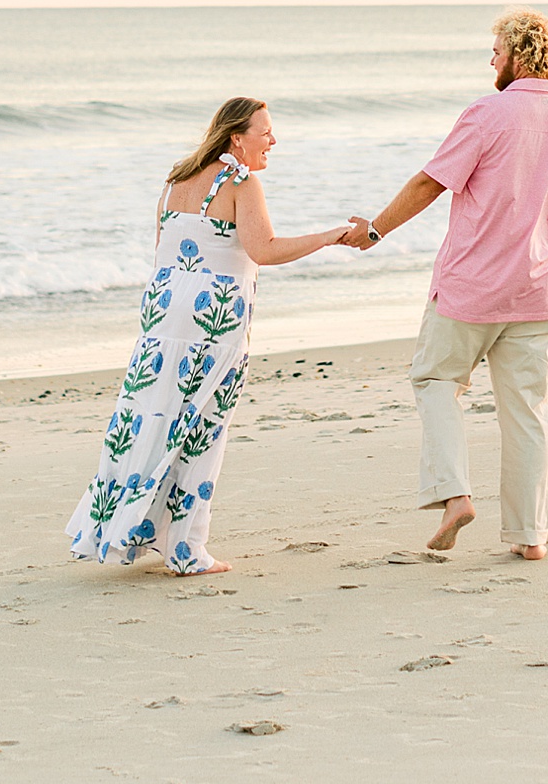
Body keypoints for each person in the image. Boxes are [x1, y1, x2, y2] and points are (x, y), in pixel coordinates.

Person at [65, 97, 365, 577]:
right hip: (213, 320)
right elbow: (263, 250)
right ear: (235, 138)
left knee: (148, 420)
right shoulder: (241, 182)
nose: (273, 140)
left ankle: (117, 528)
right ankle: (185, 551)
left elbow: (164, 250)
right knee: (202, 430)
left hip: (163, 312)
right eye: (265, 132)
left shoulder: (174, 181)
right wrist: (331, 236)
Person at [345, 8, 548, 561]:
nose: (491, 60)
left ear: (517, 55)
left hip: (472, 288)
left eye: (497, 52)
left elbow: (430, 182)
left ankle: (455, 495)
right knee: (527, 411)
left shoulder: (488, 113)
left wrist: (375, 230)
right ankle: (530, 537)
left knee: (435, 380)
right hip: (538, 292)